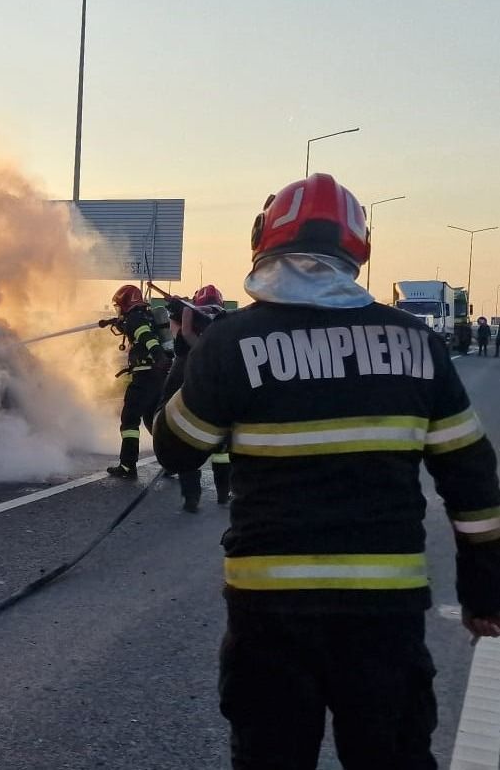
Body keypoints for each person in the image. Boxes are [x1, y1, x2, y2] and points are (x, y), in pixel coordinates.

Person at [154, 173, 500, 769]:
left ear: (264, 240)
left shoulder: (232, 342)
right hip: (384, 612)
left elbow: (177, 450)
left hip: (269, 613)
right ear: (358, 248)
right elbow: (473, 484)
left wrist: (190, 351)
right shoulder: (416, 342)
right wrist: (483, 593)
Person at [158, 283, 231, 512]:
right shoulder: (224, 325)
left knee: (186, 442)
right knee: (221, 445)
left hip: (185, 388)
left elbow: (185, 333)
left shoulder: (190, 329)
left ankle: (192, 497)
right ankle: (223, 493)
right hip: (213, 391)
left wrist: (184, 312)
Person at [103, 283, 171, 479]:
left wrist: (157, 353)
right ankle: (172, 462)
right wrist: (116, 323)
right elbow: (138, 331)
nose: (118, 311)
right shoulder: (146, 316)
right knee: (152, 421)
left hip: (144, 377)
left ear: (125, 303)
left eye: (118, 307)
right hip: (158, 378)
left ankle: (127, 465)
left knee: (129, 419)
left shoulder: (135, 319)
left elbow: (145, 336)